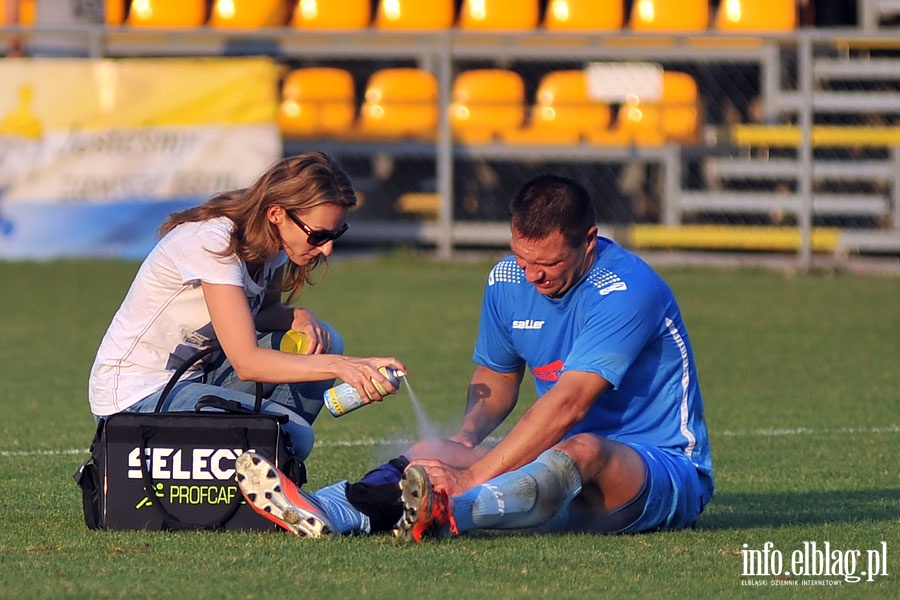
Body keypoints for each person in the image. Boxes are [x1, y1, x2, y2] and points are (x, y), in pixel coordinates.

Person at [233, 173, 714, 541]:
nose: (532, 277)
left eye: (547, 265)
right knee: (436, 452)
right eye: (523, 259)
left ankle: (449, 511)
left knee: (583, 448)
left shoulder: (627, 289)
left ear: (588, 241)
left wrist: (471, 476)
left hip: (659, 469)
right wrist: (462, 441)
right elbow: (499, 377)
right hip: (557, 468)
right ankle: (329, 510)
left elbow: (571, 403)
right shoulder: (506, 280)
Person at [88, 152, 406, 463]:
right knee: (294, 437)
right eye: (318, 235)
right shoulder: (214, 242)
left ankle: (267, 461)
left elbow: (263, 315)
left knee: (323, 342)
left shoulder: (276, 245)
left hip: (195, 376)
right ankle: (269, 458)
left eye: (336, 234)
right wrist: (341, 366)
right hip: (135, 397)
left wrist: (300, 317)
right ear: (276, 214)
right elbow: (247, 362)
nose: (327, 248)